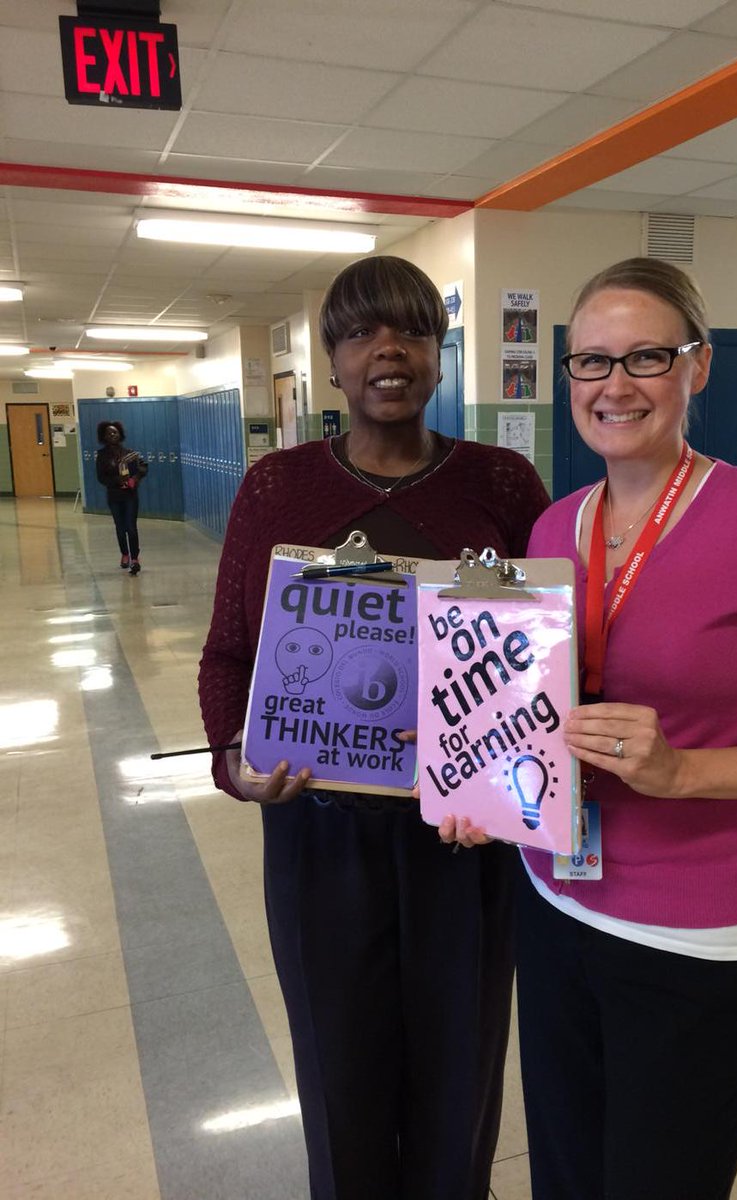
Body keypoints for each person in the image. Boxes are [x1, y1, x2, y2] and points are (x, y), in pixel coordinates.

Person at [440, 257, 737, 1200]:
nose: (614, 385)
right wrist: (482, 787)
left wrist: (682, 771)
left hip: (694, 931)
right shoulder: (552, 529)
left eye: (646, 356)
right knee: (566, 1174)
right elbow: (529, 714)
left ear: (699, 367)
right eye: (590, 361)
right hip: (556, 903)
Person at [198, 255, 550, 1200]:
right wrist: (236, 762)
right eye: (361, 333)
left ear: (440, 354)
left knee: (460, 1079)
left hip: (464, 842)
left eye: (413, 331)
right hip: (320, 838)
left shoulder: (504, 484)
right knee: (339, 1075)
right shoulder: (279, 489)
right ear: (334, 361)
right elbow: (229, 654)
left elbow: (545, 658)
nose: (388, 351)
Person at [95, 420, 147, 574]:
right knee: (120, 527)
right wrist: (117, 480)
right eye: (109, 433)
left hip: (130, 495)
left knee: (131, 527)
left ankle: (135, 558)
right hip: (114, 496)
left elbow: (143, 467)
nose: (113, 435)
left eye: (115, 432)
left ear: (120, 434)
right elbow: (101, 477)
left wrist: (135, 479)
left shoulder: (130, 453)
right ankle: (124, 554)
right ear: (104, 436)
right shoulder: (102, 456)